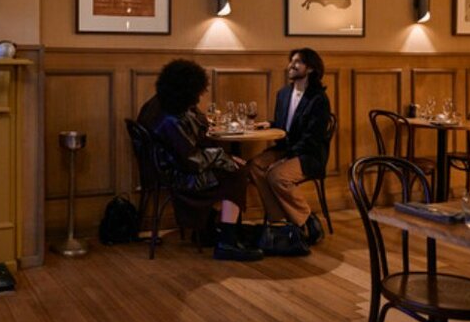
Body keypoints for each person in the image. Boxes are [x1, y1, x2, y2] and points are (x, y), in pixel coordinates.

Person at [137, 59, 263, 261]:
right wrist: (225, 158)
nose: (197, 100)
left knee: (231, 166)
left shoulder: (157, 104)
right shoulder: (171, 120)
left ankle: (209, 230)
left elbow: (196, 135)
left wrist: (222, 156)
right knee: (237, 173)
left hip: (163, 169)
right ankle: (227, 241)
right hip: (179, 176)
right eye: (195, 94)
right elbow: (192, 161)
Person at [246, 48, 330, 246]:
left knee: (277, 175)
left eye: (297, 62)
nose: (291, 65)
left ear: (310, 69)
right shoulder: (283, 94)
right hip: (285, 148)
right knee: (254, 166)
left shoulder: (318, 99)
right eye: (291, 61)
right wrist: (270, 124)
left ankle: (307, 220)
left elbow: (312, 138)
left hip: (308, 154)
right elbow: (285, 126)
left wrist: (286, 158)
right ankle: (281, 221)